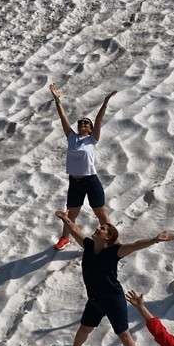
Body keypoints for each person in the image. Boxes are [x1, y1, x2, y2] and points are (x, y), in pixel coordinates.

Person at [55, 210, 174, 346]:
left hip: (113, 299)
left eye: (103, 229)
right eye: (100, 227)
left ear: (108, 238)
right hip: (95, 299)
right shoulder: (88, 245)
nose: (99, 228)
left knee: (124, 334)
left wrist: (154, 240)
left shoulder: (114, 252)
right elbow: (74, 230)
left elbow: (135, 245)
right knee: (84, 328)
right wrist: (65, 219)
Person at [50, 83, 116, 250]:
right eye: (80, 124)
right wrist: (57, 101)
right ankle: (64, 238)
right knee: (71, 214)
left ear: (91, 128)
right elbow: (62, 118)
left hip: (91, 180)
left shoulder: (92, 139)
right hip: (75, 182)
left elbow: (99, 120)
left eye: (86, 124)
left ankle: (110, 240)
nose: (82, 125)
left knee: (100, 213)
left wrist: (105, 103)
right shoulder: (71, 137)